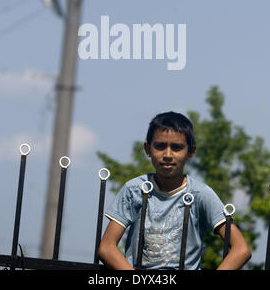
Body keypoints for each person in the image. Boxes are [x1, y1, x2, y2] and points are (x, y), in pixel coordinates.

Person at [98, 111, 251, 270]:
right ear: (147, 149)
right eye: (160, 146)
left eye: (177, 147)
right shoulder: (135, 190)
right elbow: (106, 248)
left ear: (190, 152)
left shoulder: (200, 194)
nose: (168, 155)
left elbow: (241, 249)